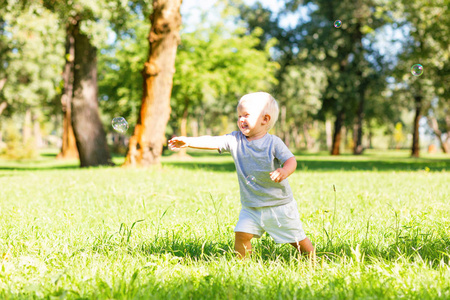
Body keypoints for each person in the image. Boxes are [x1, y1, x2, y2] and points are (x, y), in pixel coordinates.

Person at [168, 92, 315, 259]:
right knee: (241, 234)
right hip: (251, 205)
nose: (241, 120)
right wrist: (188, 141)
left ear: (265, 119)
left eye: (246, 115)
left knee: (296, 240)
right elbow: (213, 140)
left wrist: (284, 171)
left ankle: (313, 259)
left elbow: (291, 160)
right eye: (239, 116)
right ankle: (243, 264)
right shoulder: (235, 139)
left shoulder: (273, 143)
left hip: (278, 205)